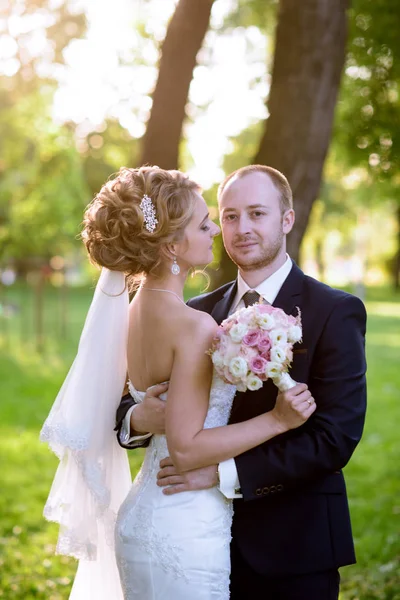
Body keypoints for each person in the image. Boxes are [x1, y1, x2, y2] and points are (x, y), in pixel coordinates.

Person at [41, 165, 315, 600]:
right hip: (184, 524)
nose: (215, 232)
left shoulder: (128, 314)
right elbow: (186, 448)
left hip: (141, 514)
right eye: (206, 223)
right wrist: (279, 420)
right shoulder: (195, 326)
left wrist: (140, 414)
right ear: (171, 244)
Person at [116, 164, 367, 600]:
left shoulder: (333, 311)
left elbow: (334, 437)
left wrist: (220, 475)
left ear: (287, 219)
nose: (240, 228)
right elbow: (124, 401)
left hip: (291, 548)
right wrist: (140, 417)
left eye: (257, 213)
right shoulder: (193, 311)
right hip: (191, 538)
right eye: (229, 216)